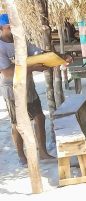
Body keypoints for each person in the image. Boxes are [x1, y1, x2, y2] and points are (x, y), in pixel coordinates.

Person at [0, 14, 52, 165]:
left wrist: (46, 56)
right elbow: (8, 72)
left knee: (40, 117)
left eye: (13, 27)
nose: (12, 30)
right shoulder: (1, 47)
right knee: (17, 123)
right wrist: (33, 67)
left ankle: (42, 151)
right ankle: (21, 155)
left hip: (29, 87)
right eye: (9, 28)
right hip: (12, 89)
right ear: (1, 29)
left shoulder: (20, 40)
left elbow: (36, 51)